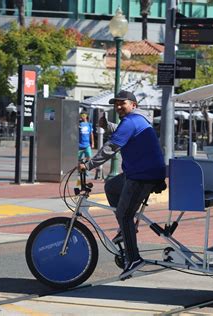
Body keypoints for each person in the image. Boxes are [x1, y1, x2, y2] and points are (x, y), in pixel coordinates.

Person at [79, 90, 166, 280]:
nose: (118, 106)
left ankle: (134, 259)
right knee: (111, 187)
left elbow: (112, 147)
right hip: (139, 172)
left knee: (124, 214)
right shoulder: (136, 120)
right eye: (116, 104)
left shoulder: (132, 121)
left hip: (143, 175)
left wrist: (88, 164)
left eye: (122, 103)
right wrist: (107, 126)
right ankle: (125, 231)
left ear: (133, 105)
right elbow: (125, 133)